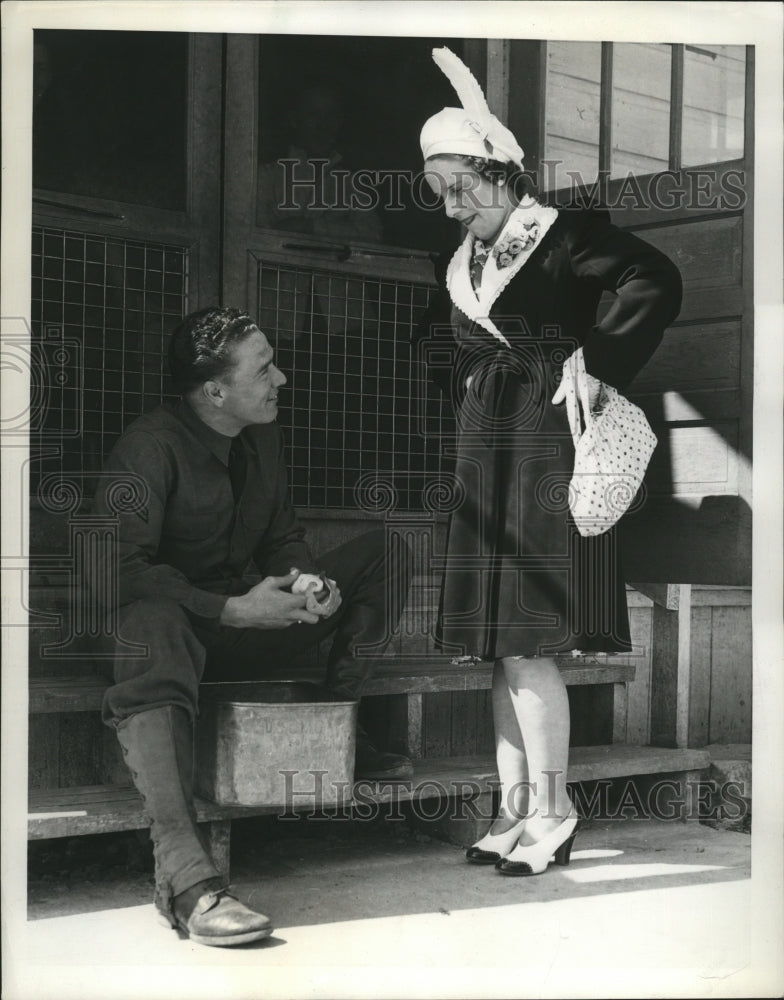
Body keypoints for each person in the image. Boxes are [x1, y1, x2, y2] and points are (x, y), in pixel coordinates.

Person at [415, 49, 682, 876]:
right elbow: (439, 344)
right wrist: (467, 380)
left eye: (463, 187)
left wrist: (595, 360)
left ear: (501, 173)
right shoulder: (459, 266)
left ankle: (556, 811)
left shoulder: (563, 234)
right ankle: (514, 808)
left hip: (547, 449)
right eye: (440, 194)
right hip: (486, 455)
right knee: (500, 647)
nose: (453, 208)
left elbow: (653, 277)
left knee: (530, 640)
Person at [94, 306, 412, 946]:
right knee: (153, 622)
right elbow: (114, 571)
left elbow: (280, 536)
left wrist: (304, 581)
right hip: (168, 640)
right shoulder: (148, 447)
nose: (281, 379)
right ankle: (188, 882)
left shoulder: (262, 437)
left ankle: (337, 730)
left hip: (240, 625)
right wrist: (232, 609)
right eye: (264, 369)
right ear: (215, 392)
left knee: (390, 549)